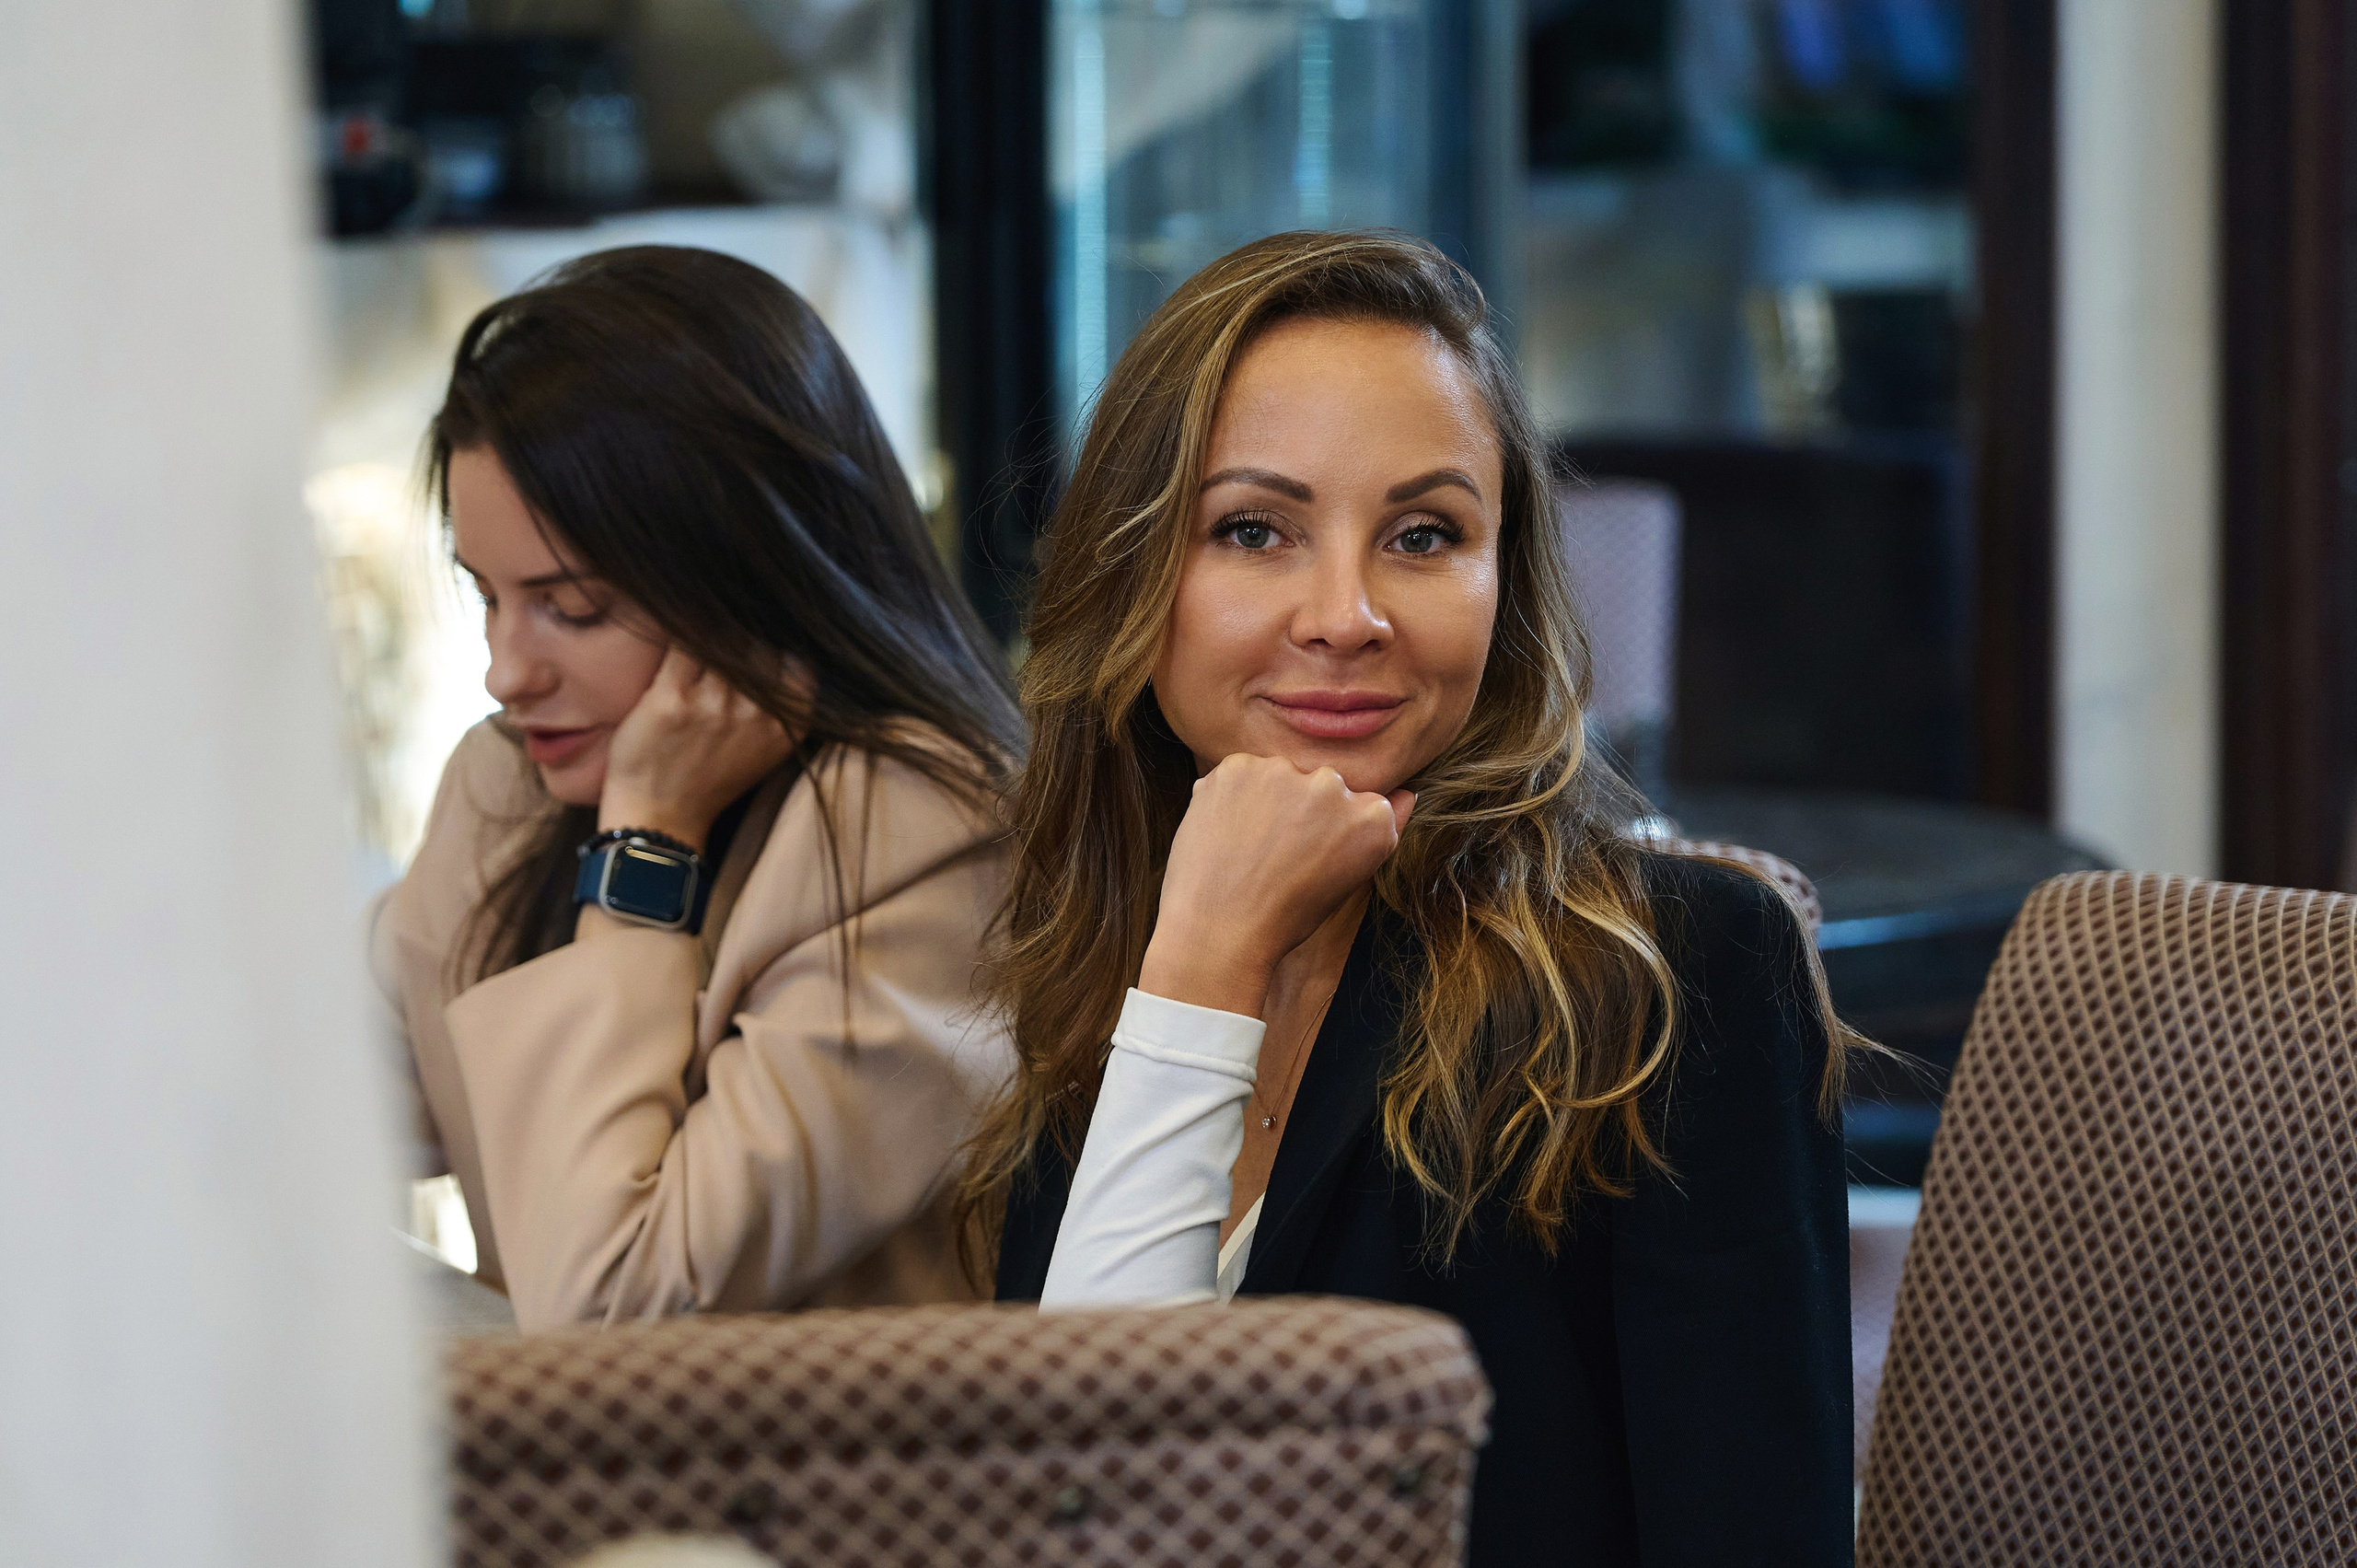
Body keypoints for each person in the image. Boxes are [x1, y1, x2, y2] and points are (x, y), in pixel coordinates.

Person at [967, 231, 1858, 1565]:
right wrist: (1198, 966)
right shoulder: (1105, 943)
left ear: (1504, 583)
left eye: (1424, 534)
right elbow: (1064, 1507)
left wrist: (1201, 961)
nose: (1346, 614)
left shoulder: (1674, 977)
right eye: (1254, 529)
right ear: (1135, 572)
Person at [373, 246, 1020, 1331]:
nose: (506, 669)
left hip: (817, 1495)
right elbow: (283, 1103)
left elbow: (613, 1309)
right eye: (485, 596)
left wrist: (647, 846)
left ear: (751, 575)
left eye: (570, 607)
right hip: (570, 1487)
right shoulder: (509, 781)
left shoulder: (926, 833)